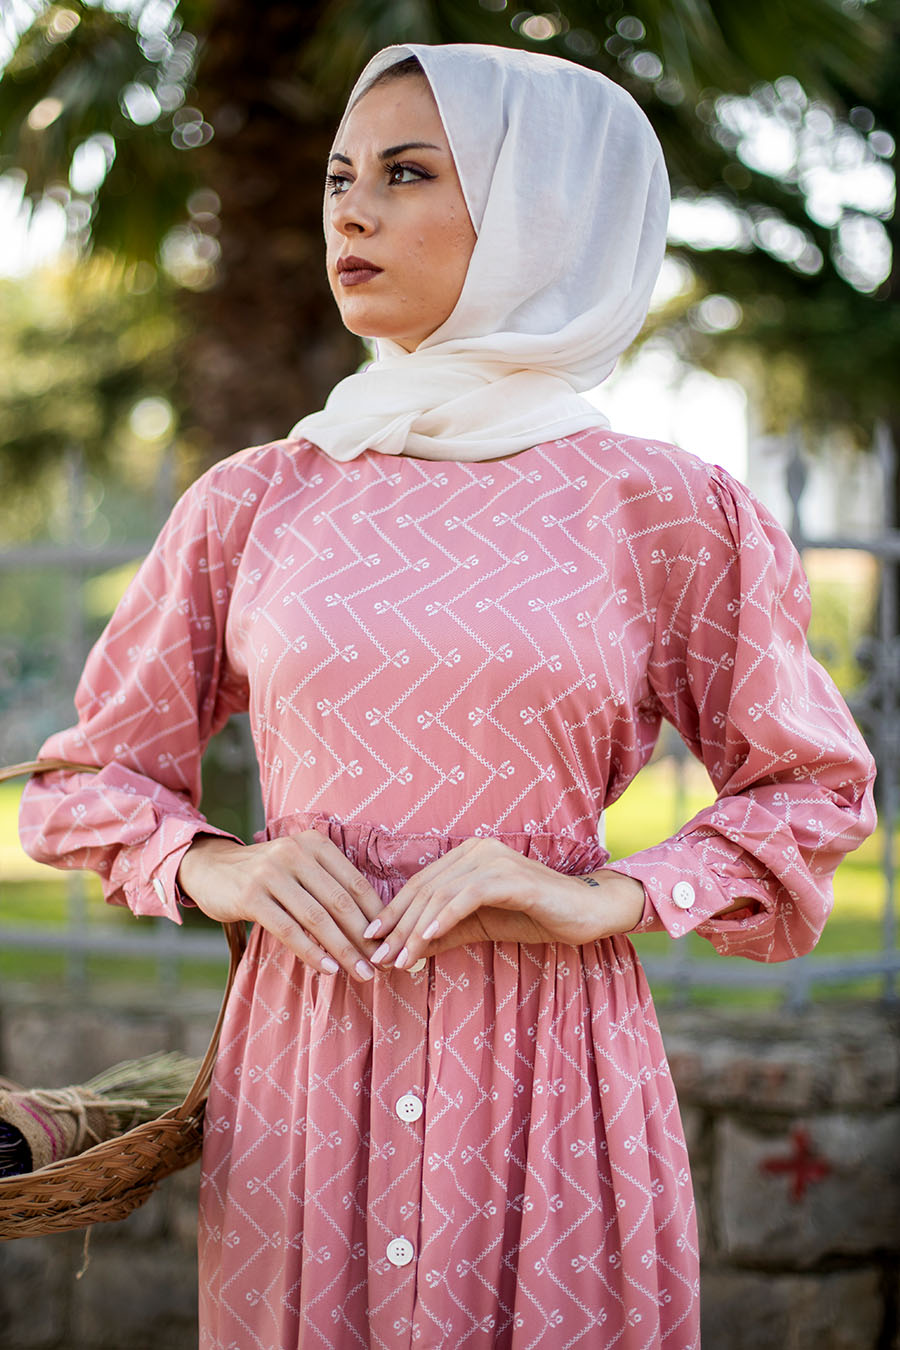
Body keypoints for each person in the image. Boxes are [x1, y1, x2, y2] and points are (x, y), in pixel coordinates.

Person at [20, 42, 875, 1349]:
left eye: (408, 173)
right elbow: (85, 779)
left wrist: (616, 892)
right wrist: (214, 866)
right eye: (338, 178)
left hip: (555, 1084)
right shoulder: (257, 500)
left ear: (539, 211)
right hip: (304, 1089)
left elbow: (812, 788)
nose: (350, 213)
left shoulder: (663, 507)